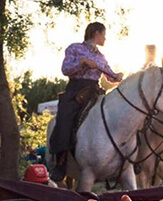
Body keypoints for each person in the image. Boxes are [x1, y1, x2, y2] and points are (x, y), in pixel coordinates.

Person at [50, 22, 123, 181]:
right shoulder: (75, 48)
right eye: (103, 34)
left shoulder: (101, 56)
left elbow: (109, 76)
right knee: (65, 117)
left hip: (95, 90)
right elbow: (65, 69)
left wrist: (117, 76)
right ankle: (61, 161)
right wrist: (82, 62)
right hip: (76, 89)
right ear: (96, 33)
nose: (105, 38)